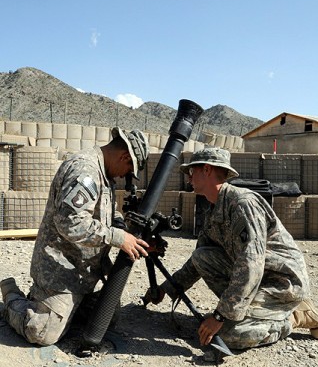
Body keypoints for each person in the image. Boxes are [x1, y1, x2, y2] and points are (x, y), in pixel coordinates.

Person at [145, 147, 318, 350]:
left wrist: (220, 316)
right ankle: (247, 312)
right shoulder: (214, 207)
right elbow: (196, 263)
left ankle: (295, 316)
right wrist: (167, 289)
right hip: (258, 278)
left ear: (207, 170)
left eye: (192, 172)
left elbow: (251, 264)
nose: (189, 178)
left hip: (281, 283)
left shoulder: (243, 204)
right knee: (202, 257)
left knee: (229, 336)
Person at [1, 127, 150, 346]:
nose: (124, 176)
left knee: (106, 319)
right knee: (43, 333)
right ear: (124, 156)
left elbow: (108, 213)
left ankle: (64, 307)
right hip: (60, 273)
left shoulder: (105, 175)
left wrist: (123, 227)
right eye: (129, 169)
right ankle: (12, 296)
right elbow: (70, 222)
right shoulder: (85, 170)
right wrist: (117, 237)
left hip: (84, 272)